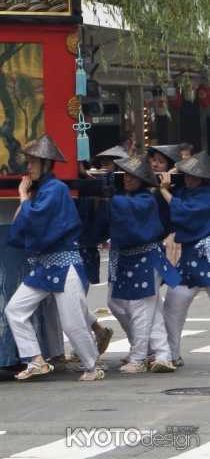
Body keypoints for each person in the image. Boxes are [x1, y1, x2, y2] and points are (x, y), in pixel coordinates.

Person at [4, 134, 103, 383]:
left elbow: (33, 219)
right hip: (46, 265)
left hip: (64, 263)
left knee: (72, 322)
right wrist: (24, 197)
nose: (28, 167)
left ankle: (93, 366)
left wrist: (23, 197)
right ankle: (35, 359)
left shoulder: (55, 190)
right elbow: (24, 221)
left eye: (32, 162)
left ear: (46, 163)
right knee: (14, 310)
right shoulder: (43, 191)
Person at [107, 155, 181, 373]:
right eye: (125, 175)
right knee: (129, 306)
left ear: (143, 179)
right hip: (129, 259)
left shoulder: (146, 199)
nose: (128, 179)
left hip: (146, 259)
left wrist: (109, 196)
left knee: (142, 309)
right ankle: (162, 354)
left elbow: (124, 208)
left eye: (134, 175)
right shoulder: (125, 197)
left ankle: (140, 358)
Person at [160, 151, 210, 365]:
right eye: (186, 174)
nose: (189, 178)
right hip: (189, 258)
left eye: (194, 175)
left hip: (206, 253)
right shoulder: (181, 191)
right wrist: (170, 177)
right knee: (173, 303)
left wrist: (164, 191)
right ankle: (172, 352)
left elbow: (186, 213)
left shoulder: (206, 195)